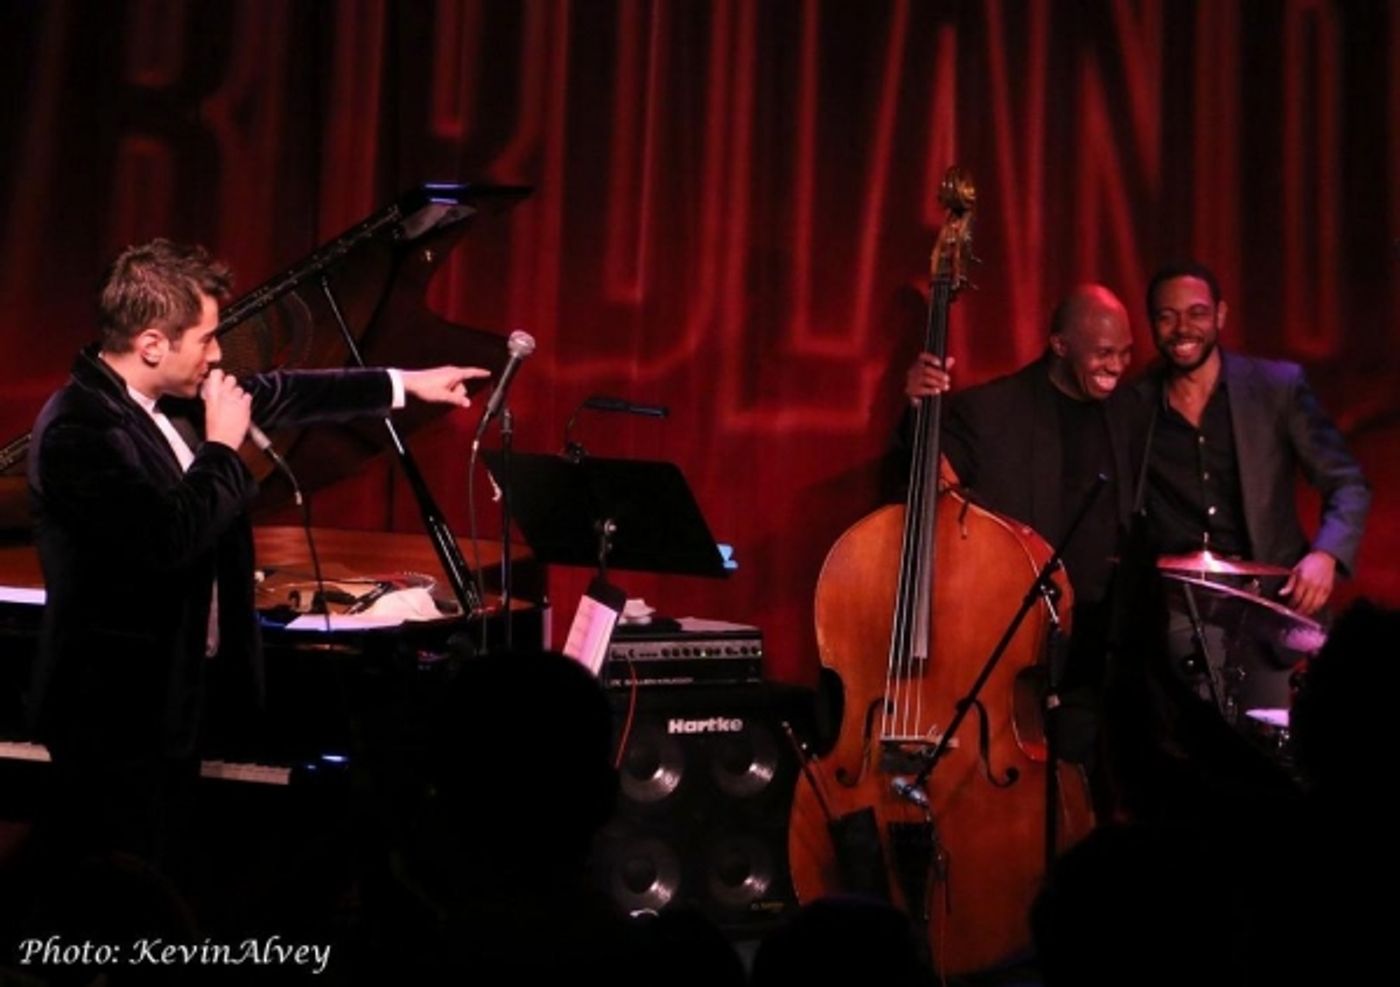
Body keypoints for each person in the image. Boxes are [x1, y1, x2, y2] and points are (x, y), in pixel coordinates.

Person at [25, 238, 489, 866]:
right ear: (152, 344)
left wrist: (403, 384)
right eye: (207, 339)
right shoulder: (79, 430)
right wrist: (222, 447)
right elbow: (168, 540)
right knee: (122, 884)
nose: (218, 356)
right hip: (116, 716)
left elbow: (279, 391)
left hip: (183, 700)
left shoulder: (172, 399)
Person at [1131, 261, 1370, 709]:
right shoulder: (1135, 406)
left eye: (1197, 313)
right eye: (1167, 316)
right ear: (1152, 324)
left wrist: (1326, 555)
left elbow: (1348, 484)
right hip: (1178, 620)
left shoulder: (1276, 388)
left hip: (1275, 610)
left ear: (1221, 315)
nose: (1183, 328)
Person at [903, 284, 1139, 716]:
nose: (1117, 366)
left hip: (1101, 645)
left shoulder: (1130, 410)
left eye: (1125, 353)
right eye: (1104, 353)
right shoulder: (993, 411)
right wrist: (919, 409)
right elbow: (926, 479)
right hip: (1019, 642)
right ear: (1060, 345)